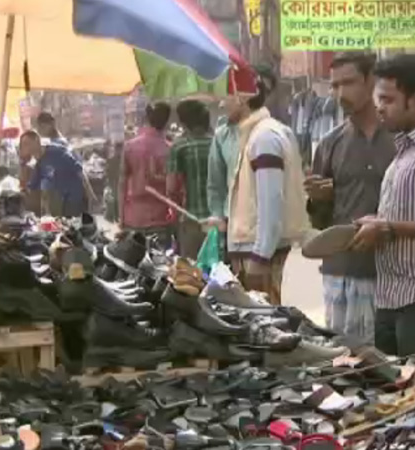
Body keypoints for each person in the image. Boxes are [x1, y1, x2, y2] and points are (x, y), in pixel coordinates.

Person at [349, 55, 415, 356]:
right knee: (390, 383)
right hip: (389, 297)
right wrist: (376, 222)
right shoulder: (403, 151)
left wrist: (389, 228)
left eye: (388, 100)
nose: (379, 107)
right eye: (378, 99)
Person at [305, 52, 396, 343]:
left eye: (348, 83)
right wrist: (319, 199)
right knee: (344, 362)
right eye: (334, 86)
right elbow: (321, 224)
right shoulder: (329, 144)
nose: (340, 93)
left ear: (371, 81)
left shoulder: (400, 138)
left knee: (391, 362)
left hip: (392, 275)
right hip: (340, 275)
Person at [224, 78, 310, 305]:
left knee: (264, 317)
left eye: (227, 97)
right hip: (253, 249)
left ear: (242, 98)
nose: (222, 104)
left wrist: (260, 256)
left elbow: (272, 201)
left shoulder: (264, 138)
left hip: (258, 254)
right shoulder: (257, 134)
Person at [118, 102, 176, 246]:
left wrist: (121, 218)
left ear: (147, 119)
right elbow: (173, 189)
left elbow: (122, 184)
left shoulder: (130, 146)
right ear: (166, 122)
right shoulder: (170, 150)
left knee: (133, 258)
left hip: (133, 219)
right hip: (161, 220)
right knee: (160, 259)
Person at [167, 100, 212, 259]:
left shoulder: (179, 146)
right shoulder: (216, 142)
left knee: (191, 270)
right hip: (218, 221)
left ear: (184, 122)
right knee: (218, 269)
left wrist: (175, 216)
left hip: (191, 220)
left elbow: (171, 188)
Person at [19, 130, 94, 217]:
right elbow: (30, 187)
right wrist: (22, 163)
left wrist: (90, 193)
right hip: (58, 202)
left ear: (37, 140)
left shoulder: (57, 152)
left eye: (27, 143)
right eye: (23, 145)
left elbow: (79, 170)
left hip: (73, 197)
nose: (26, 148)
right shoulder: (39, 163)